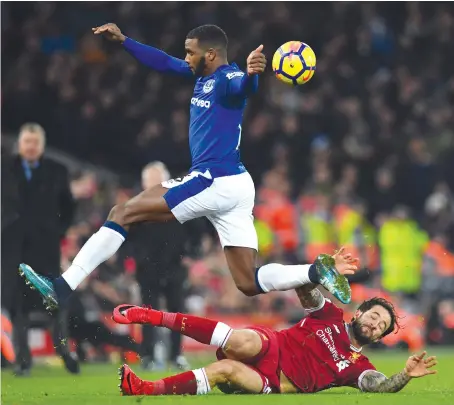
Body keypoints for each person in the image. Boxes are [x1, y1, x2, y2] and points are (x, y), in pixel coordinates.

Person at [19, 23, 352, 314]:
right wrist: (124, 41)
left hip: (213, 179)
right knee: (248, 282)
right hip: (236, 184)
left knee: (121, 212)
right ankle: (314, 273)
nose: (186, 58)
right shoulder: (201, 76)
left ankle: (63, 286)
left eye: (190, 53)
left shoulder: (228, 78)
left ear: (210, 54)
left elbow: (243, 89)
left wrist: (252, 75)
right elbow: (163, 62)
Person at [112, 250, 437, 396]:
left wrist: (404, 376)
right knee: (243, 340)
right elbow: (303, 287)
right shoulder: (331, 316)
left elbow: (378, 386)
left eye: (381, 326)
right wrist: (320, 270)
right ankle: (149, 315)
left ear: (379, 337)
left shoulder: (359, 366)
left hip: (272, 380)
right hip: (271, 344)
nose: (375, 323)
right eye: (374, 316)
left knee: (226, 371)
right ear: (361, 312)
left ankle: (144, 389)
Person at [1, 123, 79, 375]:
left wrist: (57, 230)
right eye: (27, 142)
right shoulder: (4, 168)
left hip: (45, 247)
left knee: (54, 302)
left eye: (35, 142)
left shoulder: (57, 171)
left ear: (42, 145)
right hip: (12, 246)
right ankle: (23, 361)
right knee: (17, 306)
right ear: (20, 144)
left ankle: (64, 351)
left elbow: (68, 207)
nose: (31, 146)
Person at [127, 161, 195, 370]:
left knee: (177, 313)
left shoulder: (180, 201)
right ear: (144, 182)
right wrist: (135, 258)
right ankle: (147, 355)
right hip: (147, 268)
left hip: (174, 265)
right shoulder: (136, 206)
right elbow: (128, 236)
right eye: (150, 180)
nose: (154, 184)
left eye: (157, 179)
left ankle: (176, 355)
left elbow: (196, 228)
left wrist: (190, 253)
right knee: (148, 313)